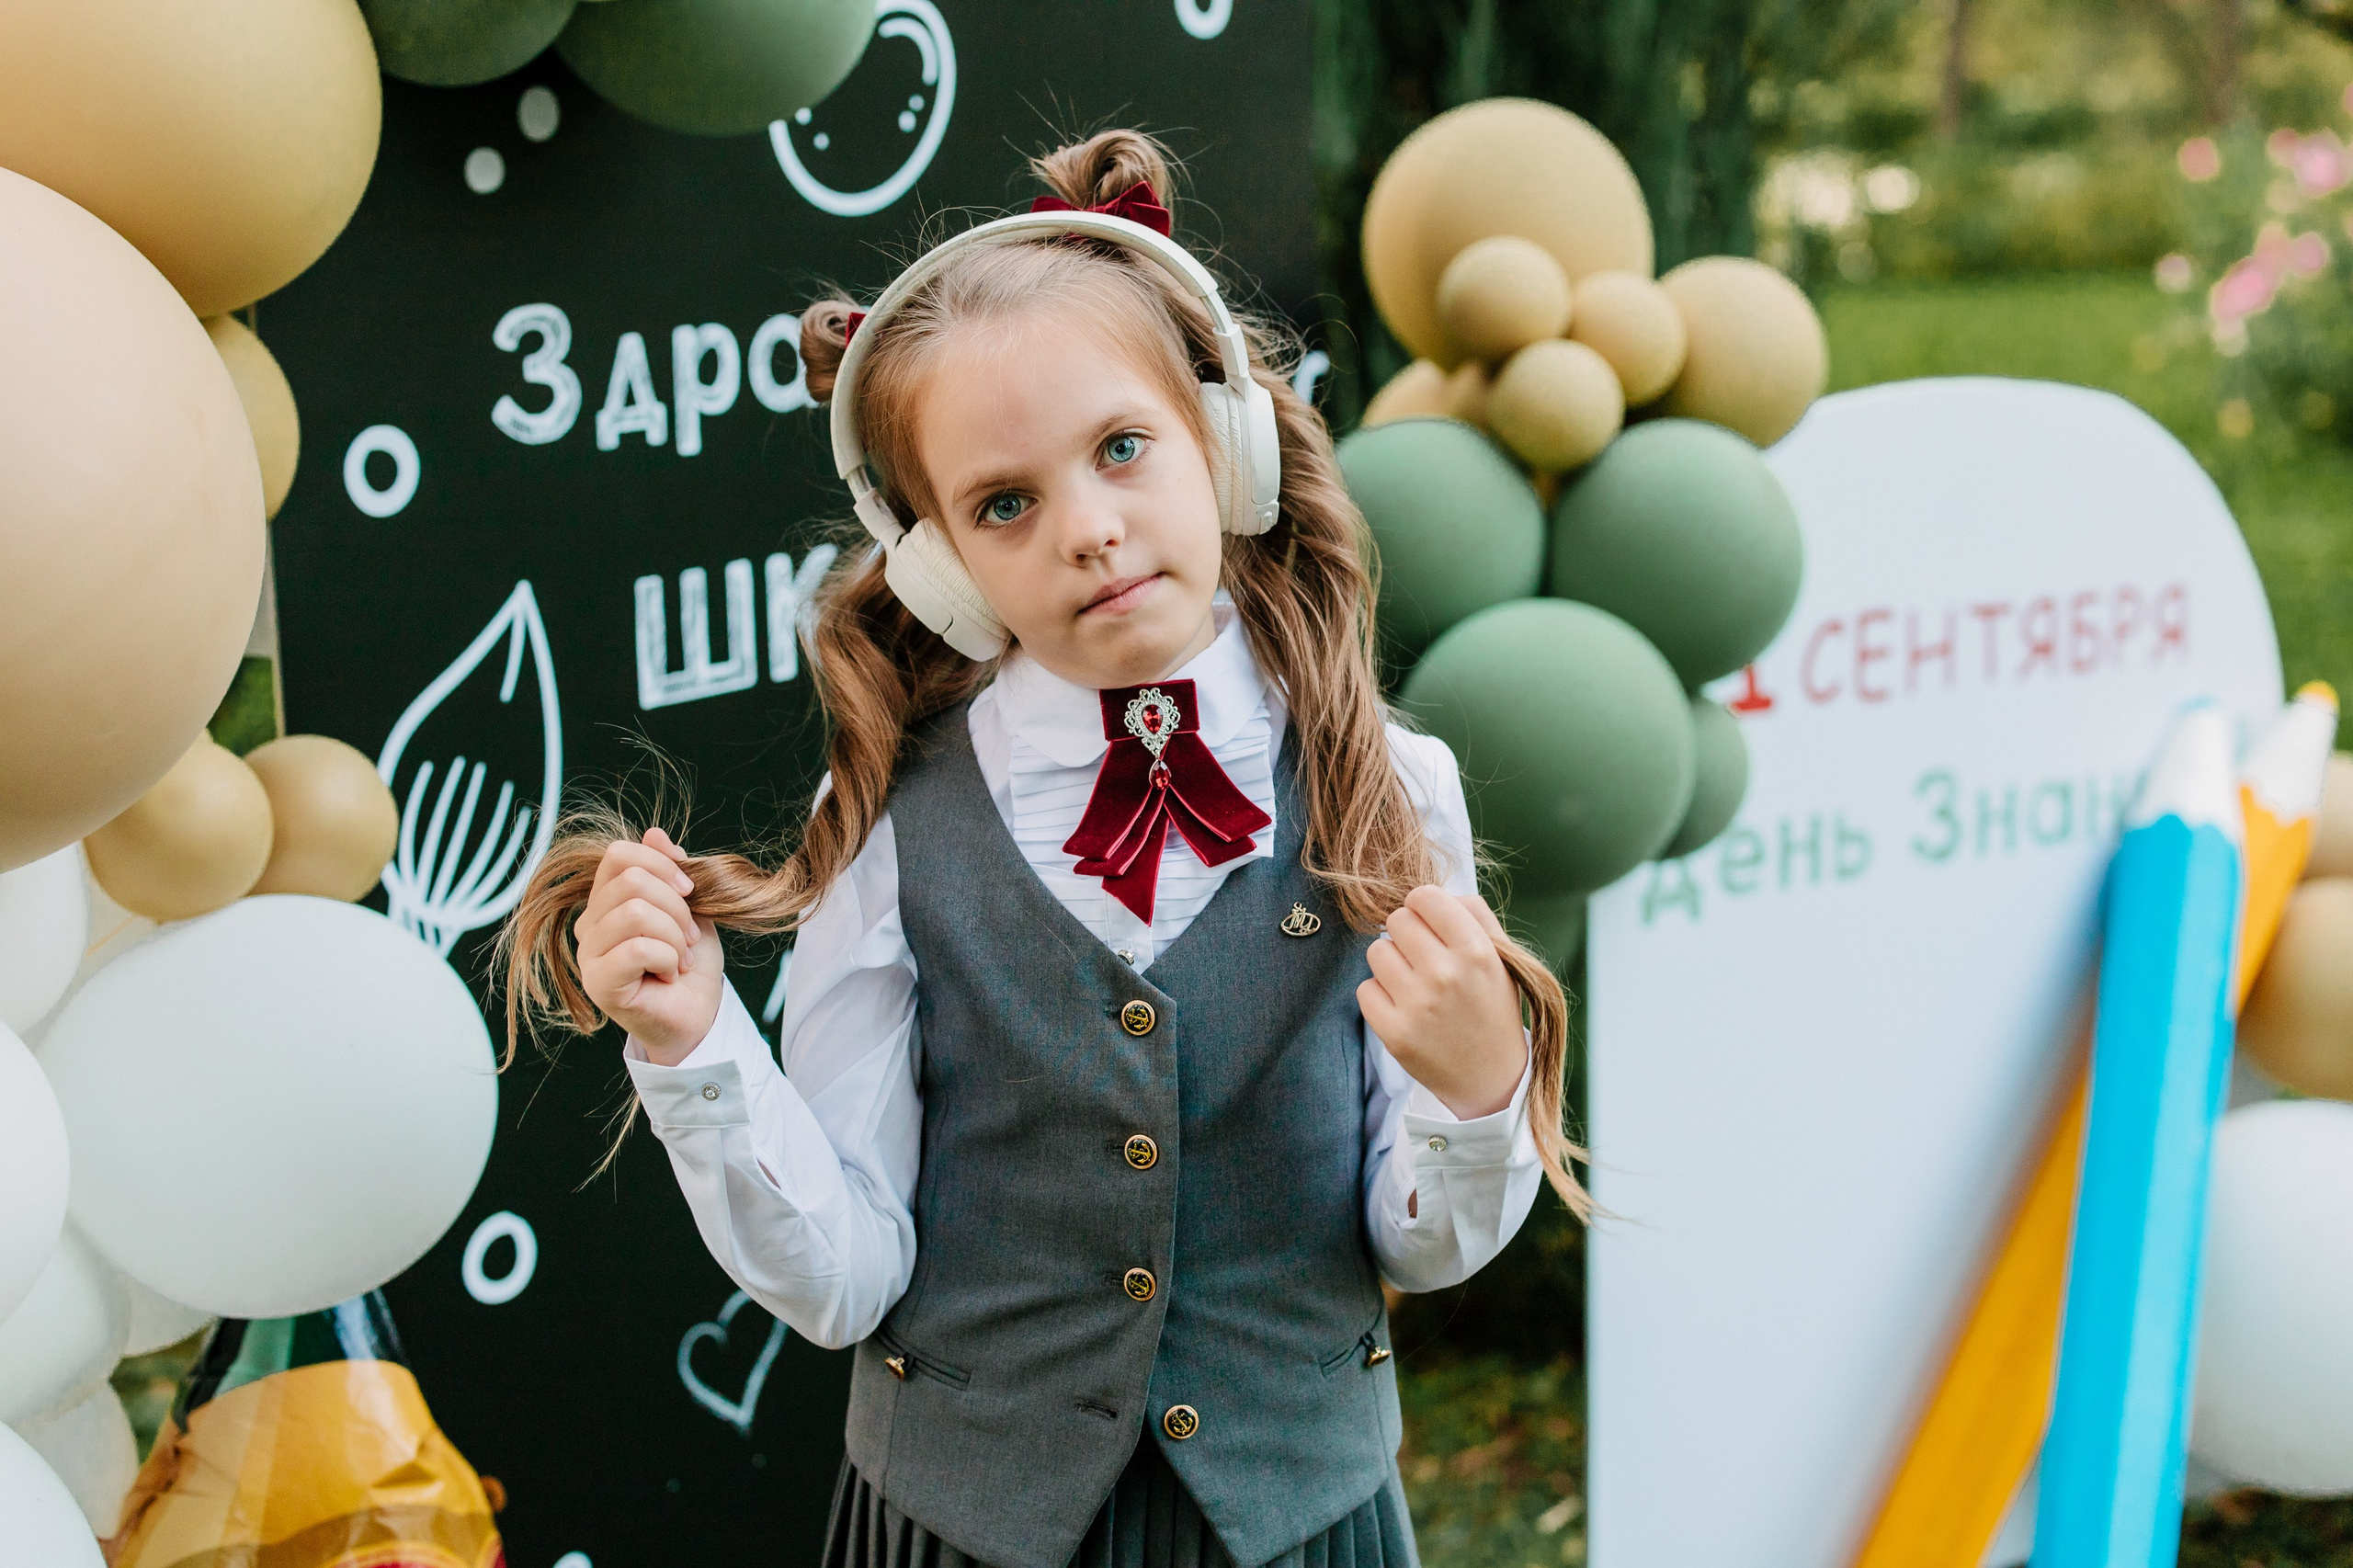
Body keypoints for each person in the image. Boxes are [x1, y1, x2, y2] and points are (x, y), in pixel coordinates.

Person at [505, 129, 1586, 1568]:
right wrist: (696, 1047)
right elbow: (847, 1275)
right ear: (941, 566)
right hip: (963, 1527)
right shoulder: (888, 825)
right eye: (1004, 503)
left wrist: (1478, 1085)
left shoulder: (1387, 786)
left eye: (1122, 448)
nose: (1087, 530)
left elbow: (1418, 1242)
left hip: (1296, 1520)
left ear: (1225, 443)